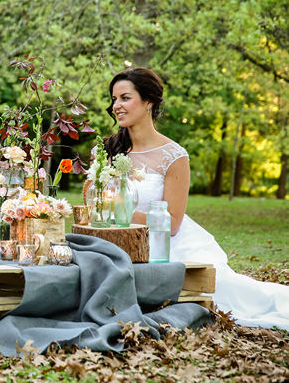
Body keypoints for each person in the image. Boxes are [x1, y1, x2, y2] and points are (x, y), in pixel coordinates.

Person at [103, 67, 288, 330]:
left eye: (124, 98)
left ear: (148, 102)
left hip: (168, 245)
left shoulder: (175, 156)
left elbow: (173, 222)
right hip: (114, 242)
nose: (116, 106)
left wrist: (118, 214)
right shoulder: (108, 150)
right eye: (113, 99)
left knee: (230, 294)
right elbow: (93, 202)